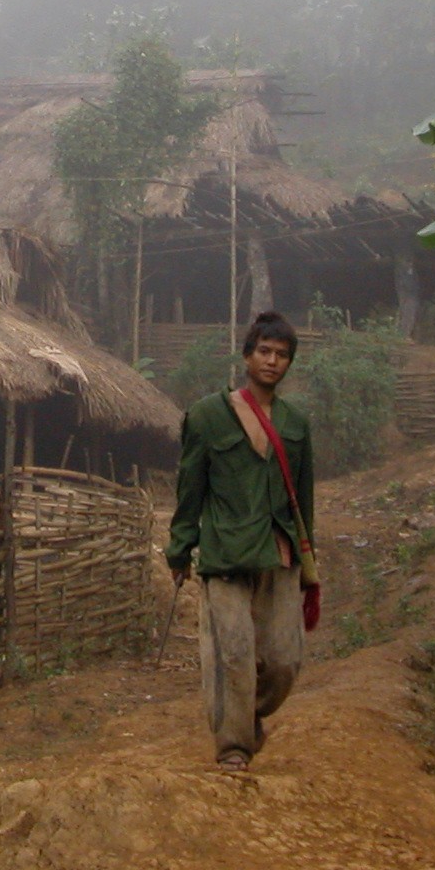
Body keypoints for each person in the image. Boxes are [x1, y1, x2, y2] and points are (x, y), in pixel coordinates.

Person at [167, 309, 318, 772]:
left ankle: (247, 714)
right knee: (234, 653)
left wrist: (310, 557)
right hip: (226, 552)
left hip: (279, 553)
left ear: (289, 364)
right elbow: (190, 486)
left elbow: (304, 498)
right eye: (265, 352)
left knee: (284, 662)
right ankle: (234, 747)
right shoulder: (209, 416)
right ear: (247, 356)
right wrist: (180, 549)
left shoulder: (295, 423)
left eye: (282, 355)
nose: (273, 362)